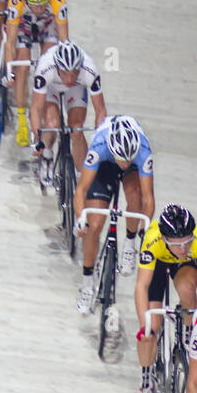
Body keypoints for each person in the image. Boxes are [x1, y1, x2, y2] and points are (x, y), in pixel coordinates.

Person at [133, 206, 197, 393]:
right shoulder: (152, 241)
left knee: (188, 290)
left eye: (186, 242)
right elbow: (141, 287)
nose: (182, 248)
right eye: (177, 244)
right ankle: (145, 385)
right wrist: (145, 325)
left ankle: (189, 336)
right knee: (151, 328)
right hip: (159, 263)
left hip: (184, 266)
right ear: (164, 238)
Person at [73, 115, 154, 314]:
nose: (124, 163)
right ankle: (87, 282)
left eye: (128, 159)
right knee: (94, 224)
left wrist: (144, 232)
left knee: (135, 195)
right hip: (105, 164)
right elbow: (81, 190)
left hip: (135, 166)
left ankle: (129, 244)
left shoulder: (142, 151)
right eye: (122, 159)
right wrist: (80, 219)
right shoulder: (99, 146)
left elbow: (148, 198)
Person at [4, 0, 68, 146]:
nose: (39, 8)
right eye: (35, 5)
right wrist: (10, 69)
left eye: (43, 4)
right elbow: (10, 40)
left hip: (47, 27)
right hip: (23, 26)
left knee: (50, 67)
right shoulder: (16, 0)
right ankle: (22, 120)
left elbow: (64, 40)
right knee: (22, 67)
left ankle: (46, 112)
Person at [30, 41, 107, 181]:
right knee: (52, 124)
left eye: (74, 73)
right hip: (51, 87)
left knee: (77, 129)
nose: (70, 78)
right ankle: (47, 156)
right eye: (65, 73)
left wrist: (99, 139)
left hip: (76, 89)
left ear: (80, 68)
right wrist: (36, 138)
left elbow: (100, 110)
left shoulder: (90, 70)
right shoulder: (45, 67)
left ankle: (82, 177)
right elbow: (36, 108)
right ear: (57, 67)